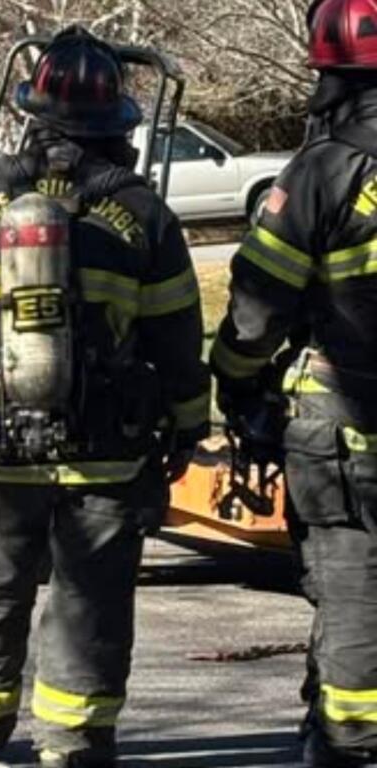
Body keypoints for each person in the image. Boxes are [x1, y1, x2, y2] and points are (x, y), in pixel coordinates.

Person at [0, 27, 208, 768]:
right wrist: (188, 425)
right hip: (107, 452)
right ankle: (73, 743)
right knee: (88, 599)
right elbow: (175, 338)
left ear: (29, 110)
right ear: (117, 124)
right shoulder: (143, 212)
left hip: (2, 446)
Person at [211, 2, 377, 764]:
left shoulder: (323, 170)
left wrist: (239, 387)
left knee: (353, 591)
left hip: (349, 423)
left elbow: (259, 305)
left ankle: (352, 743)